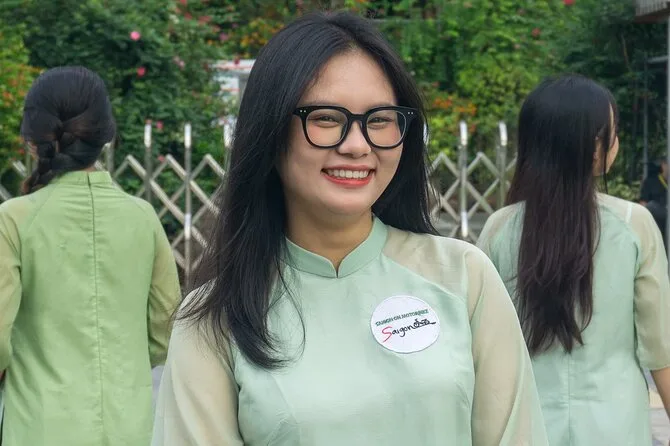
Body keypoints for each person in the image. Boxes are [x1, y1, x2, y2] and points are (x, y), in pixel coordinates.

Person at [152, 11, 548, 446]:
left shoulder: (464, 277)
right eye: (326, 118)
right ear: (270, 131)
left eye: (379, 120)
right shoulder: (213, 321)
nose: (357, 145)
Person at [477, 74, 670, 446]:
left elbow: (483, 347)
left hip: (527, 428)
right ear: (593, 146)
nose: (617, 141)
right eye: (612, 132)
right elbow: (660, 349)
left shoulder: (499, 228)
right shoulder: (635, 225)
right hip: (616, 429)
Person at [0, 66, 181, 445]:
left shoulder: (14, 219)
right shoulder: (143, 217)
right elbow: (166, 331)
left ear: (31, 141)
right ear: (105, 135)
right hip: (130, 428)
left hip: (40, 427)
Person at [640, 158, 668, 246]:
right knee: (651, 206)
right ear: (663, 165)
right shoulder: (651, 182)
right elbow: (643, 204)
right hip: (658, 221)